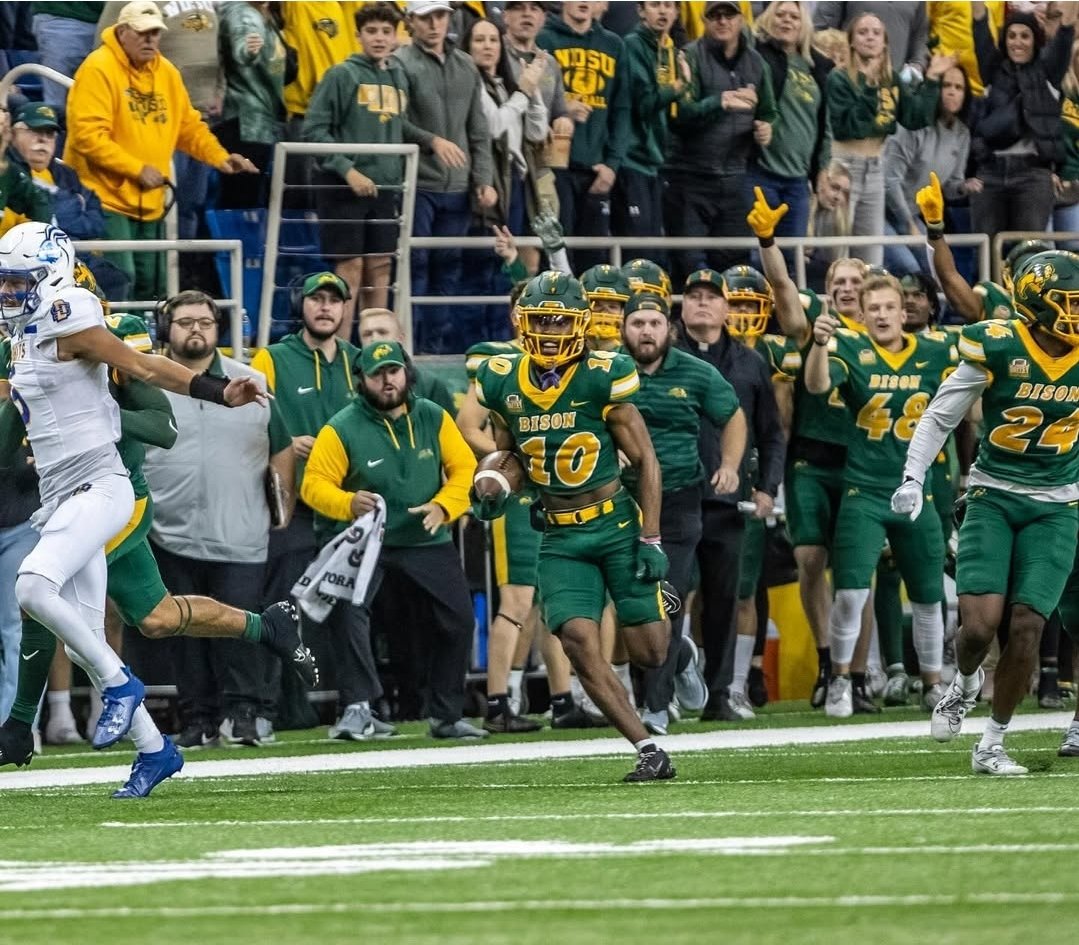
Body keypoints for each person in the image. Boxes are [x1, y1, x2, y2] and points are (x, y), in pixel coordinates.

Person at [0, 223, 267, 797]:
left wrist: (217, 391)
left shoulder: (69, 310)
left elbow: (145, 368)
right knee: (83, 634)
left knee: (31, 587)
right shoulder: (21, 331)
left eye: (17, 281)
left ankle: (121, 689)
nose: (7, 293)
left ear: (50, 272)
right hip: (60, 494)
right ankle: (155, 750)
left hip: (100, 484)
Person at [473, 271, 676, 782]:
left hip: (614, 524)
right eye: (540, 319)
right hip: (560, 536)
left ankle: (674, 630)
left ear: (580, 323)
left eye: (559, 319)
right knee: (579, 643)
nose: (548, 330)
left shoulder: (602, 373)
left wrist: (650, 535)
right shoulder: (502, 379)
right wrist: (497, 484)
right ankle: (647, 749)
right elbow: (511, 452)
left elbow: (646, 460)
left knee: (652, 652)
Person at [891, 250, 1079, 774]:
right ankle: (965, 681)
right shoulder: (997, 344)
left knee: (1027, 626)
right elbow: (939, 417)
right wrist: (912, 475)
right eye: (1068, 303)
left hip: (1057, 506)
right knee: (978, 628)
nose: (1077, 313)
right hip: (993, 496)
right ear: (1036, 304)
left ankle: (991, 744)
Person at [303, 339, 484, 740]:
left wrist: (444, 506)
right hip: (365, 541)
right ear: (361, 380)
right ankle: (357, 708)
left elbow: (464, 468)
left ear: (407, 372)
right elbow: (313, 485)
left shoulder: (433, 416)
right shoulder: (342, 426)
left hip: (424, 536)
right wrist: (347, 502)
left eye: (393, 371)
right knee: (349, 613)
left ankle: (446, 714)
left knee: (458, 618)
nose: (387, 381)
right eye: (377, 374)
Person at [143, 290, 297, 747]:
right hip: (168, 530)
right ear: (165, 329)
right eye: (186, 321)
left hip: (241, 529)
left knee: (240, 626)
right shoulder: (146, 382)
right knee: (182, 629)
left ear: (218, 329)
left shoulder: (251, 380)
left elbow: (282, 445)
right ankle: (196, 718)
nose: (196, 329)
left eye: (206, 322)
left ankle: (245, 713)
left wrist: (281, 503)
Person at [750, 187, 880, 711]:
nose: (848, 288)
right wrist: (766, 241)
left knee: (857, 570)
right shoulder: (813, 327)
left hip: (865, 462)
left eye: (857, 282)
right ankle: (830, 663)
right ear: (826, 290)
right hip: (812, 457)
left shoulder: (889, 335)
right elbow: (781, 287)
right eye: (839, 282)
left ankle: (859, 672)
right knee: (809, 559)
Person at [804, 272, 954, 717]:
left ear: (903, 311)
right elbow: (816, 386)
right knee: (850, 592)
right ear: (863, 316)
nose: (883, 314)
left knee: (928, 594)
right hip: (864, 488)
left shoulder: (934, 350)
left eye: (890, 307)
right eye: (874, 309)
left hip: (916, 489)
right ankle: (839, 680)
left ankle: (931, 683)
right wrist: (816, 344)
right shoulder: (849, 347)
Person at [250, 272, 386, 738]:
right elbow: (249, 420)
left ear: (346, 308)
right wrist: (285, 443)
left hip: (348, 509)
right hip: (292, 504)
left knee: (352, 607)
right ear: (300, 305)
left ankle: (357, 707)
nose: (325, 308)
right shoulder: (272, 357)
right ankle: (263, 711)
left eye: (334, 300)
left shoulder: (359, 361)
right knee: (278, 605)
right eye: (316, 299)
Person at [64, 0, 259, 301]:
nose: (150, 40)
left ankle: (146, 346)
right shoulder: (98, 68)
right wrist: (137, 169)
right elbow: (87, 137)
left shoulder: (166, 71)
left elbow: (188, 127)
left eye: (155, 33)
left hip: (150, 199)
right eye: (142, 33)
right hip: (104, 199)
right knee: (119, 280)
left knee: (153, 284)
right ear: (122, 31)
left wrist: (220, 157)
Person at [622, 289, 745, 735]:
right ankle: (684, 657)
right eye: (638, 323)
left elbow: (732, 415)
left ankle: (655, 706)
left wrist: (730, 466)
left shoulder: (695, 372)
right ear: (624, 328)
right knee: (627, 607)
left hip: (676, 500)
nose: (647, 331)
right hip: (619, 502)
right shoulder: (607, 371)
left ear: (669, 329)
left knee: (665, 599)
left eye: (654, 323)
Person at [676, 268, 779, 721]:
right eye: (693, 296)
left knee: (727, 598)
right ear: (681, 306)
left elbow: (771, 433)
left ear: (726, 308)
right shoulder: (662, 356)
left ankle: (721, 692)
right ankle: (663, 691)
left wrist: (768, 488)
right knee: (669, 596)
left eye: (711, 297)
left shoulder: (751, 362)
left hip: (728, 499)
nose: (702, 303)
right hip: (674, 497)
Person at [304, 2, 419, 323]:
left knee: (380, 267)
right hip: (342, 186)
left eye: (386, 31)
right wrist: (347, 169)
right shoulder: (341, 74)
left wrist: (433, 140)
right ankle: (339, 351)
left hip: (385, 186)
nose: (379, 38)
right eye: (371, 31)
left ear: (396, 37)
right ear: (358, 35)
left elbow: (399, 124)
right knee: (350, 269)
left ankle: (375, 347)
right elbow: (313, 130)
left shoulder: (398, 75)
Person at [396, 0, 496, 354]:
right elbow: (394, 121)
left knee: (448, 270)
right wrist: (432, 140)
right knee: (417, 265)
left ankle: (435, 350)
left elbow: (478, 129)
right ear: (411, 21)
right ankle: (413, 346)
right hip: (418, 182)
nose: (435, 24)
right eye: (426, 17)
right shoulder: (400, 63)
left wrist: (484, 179)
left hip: (457, 184)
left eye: (440, 15)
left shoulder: (465, 64)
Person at [825, 12, 952, 266]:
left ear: (885, 41)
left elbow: (916, 117)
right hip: (843, 166)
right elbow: (851, 127)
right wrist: (870, 86)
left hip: (875, 168)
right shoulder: (839, 78)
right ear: (851, 41)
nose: (870, 37)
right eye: (863, 32)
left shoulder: (891, 80)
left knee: (871, 258)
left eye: (876, 33)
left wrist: (933, 80)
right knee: (837, 255)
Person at [663, 0, 777, 280]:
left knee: (733, 265)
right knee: (687, 263)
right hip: (689, 176)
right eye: (715, 15)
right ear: (704, 20)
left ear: (741, 19)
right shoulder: (688, 56)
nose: (722, 21)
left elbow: (769, 111)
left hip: (735, 179)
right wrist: (720, 102)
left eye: (729, 15)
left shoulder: (757, 62)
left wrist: (766, 129)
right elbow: (678, 115)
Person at [461, 17, 550, 343]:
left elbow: (538, 132)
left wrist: (533, 90)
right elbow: (495, 125)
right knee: (484, 267)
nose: (487, 46)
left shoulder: (505, 84)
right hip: (489, 182)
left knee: (509, 264)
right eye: (479, 40)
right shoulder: (471, 83)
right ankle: (475, 340)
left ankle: (506, 336)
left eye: (493, 40)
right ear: (467, 48)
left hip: (518, 183)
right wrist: (524, 91)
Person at [968, 1, 1077, 245]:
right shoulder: (992, 68)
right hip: (990, 173)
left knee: (1030, 255)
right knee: (986, 256)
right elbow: (979, 25)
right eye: (1012, 35)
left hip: (1033, 177)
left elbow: (1067, 29)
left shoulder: (1050, 70)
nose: (1017, 42)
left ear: (1035, 40)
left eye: (1025, 36)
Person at [538, 1, 630, 273]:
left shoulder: (614, 44)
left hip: (596, 171)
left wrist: (612, 165)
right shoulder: (545, 39)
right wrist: (563, 108)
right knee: (555, 256)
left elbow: (622, 109)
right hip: (555, 168)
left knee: (595, 261)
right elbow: (531, 99)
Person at [883, 64, 976, 277]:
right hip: (883, 212)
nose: (952, 91)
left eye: (959, 87)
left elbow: (950, 186)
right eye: (946, 85)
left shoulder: (962, 134)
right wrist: (908, 223)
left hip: (912, 214)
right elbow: (889, 181)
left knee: (937, 272)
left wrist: (963, 187)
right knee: (909, 270)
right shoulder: (913, 125)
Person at [753, 1, 835, 242]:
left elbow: (824, 125)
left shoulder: (817, 66)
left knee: (792, 259)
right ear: (768, 18)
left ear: (804, 24)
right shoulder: (755, 55)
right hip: (761, 173)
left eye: (794, 16)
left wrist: (822, 169)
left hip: (798, 181)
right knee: (759, 255)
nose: (787, 20)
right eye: (780, 15)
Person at [615, 1, 691, 258]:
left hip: (655, 162)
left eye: (669, 5)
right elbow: (644, 103)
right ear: (640, 10)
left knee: (655, 251)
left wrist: (719, 102)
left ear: (677, 13)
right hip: (632, 159)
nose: (663, 11)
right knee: (638, 249)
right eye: (655, 4)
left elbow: (676, 112)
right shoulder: (633, 45)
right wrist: (678, 87)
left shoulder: (670, 50)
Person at [215, 0, 287, 209]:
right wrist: (248, 51)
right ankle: (239, 243)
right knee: (241, 202)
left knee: (249, 198)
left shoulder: (264, 12)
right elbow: (243, 46)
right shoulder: (244, 14)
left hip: (258, 121)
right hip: (246, 123)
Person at [5, 102, 105, 242]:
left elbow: (98, 222)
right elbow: (40, 220)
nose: (43, 139)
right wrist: (73, 206)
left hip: (73, 250)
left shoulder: (65, 172)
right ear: (12, 135)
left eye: (50, 134)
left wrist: (60, 213)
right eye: (34, 131)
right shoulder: (5, 171)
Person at [357, 307, 456, 414]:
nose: (374, 339)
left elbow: (448, 427)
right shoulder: (350, 380)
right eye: (367, 334)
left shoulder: (430, 385)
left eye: (382, 332)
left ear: (400, 338)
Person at [813, 1, 929, 74]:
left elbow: (920, 34)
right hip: (849, 78)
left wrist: (916, 67)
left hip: (893, 84)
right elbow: (821, 30)